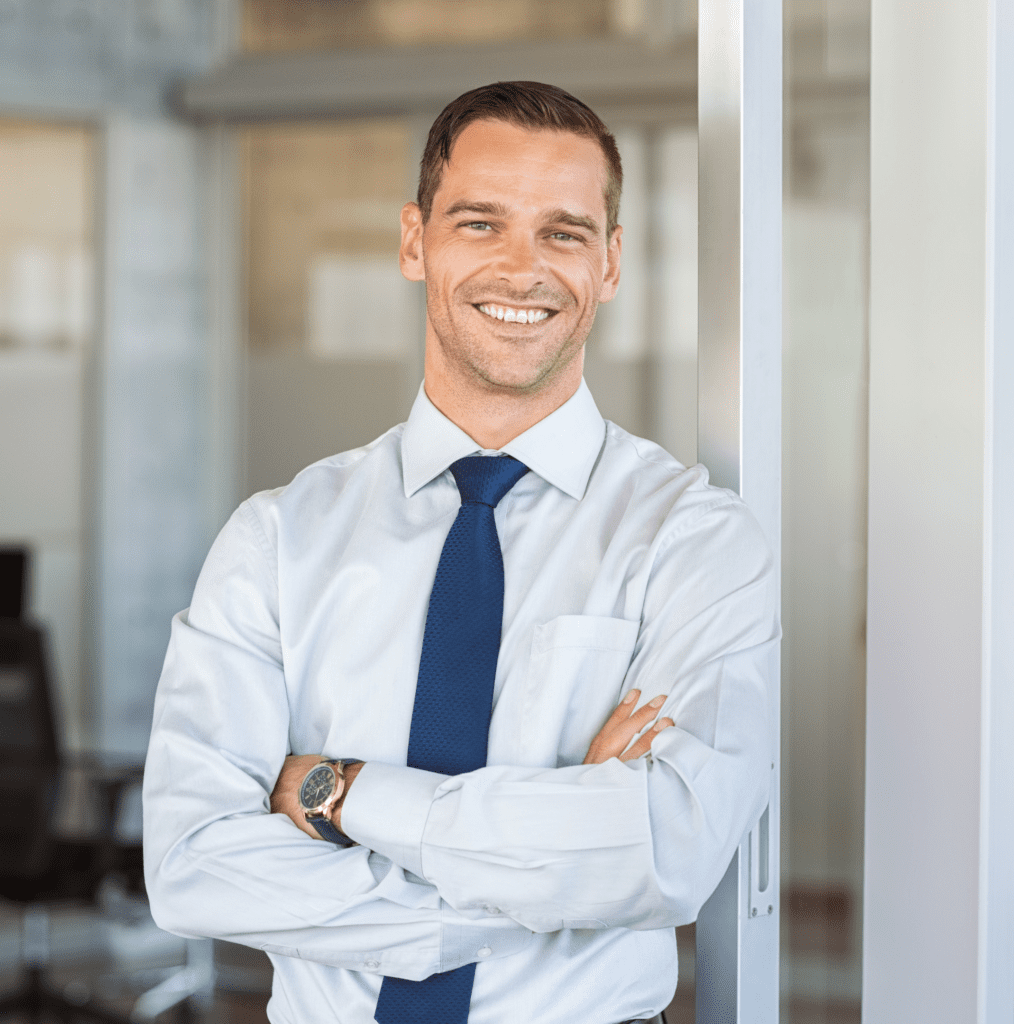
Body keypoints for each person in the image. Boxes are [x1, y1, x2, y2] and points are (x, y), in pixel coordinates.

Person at [143, 81, 776, 1024]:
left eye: (564, 233)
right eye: (481, 224)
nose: (522, 270)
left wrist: (339, 793)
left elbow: (663, 855)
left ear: (610, 263)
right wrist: (551, 867)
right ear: (414, 242)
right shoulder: (280, 537)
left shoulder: (693, 540)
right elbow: (193, 865)